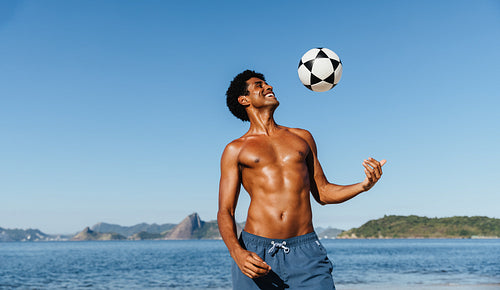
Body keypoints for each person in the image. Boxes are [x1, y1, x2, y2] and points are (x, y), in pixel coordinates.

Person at [217, 70, 386, 289]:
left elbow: (323, 193)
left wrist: (364, 185)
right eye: (259, 85)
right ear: (244, 99)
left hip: (305, 251)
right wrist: (237, 252)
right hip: (256, 252)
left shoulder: (302, 138)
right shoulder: (235, 149)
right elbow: (225, 212)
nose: (269, 87)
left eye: (268, 83)